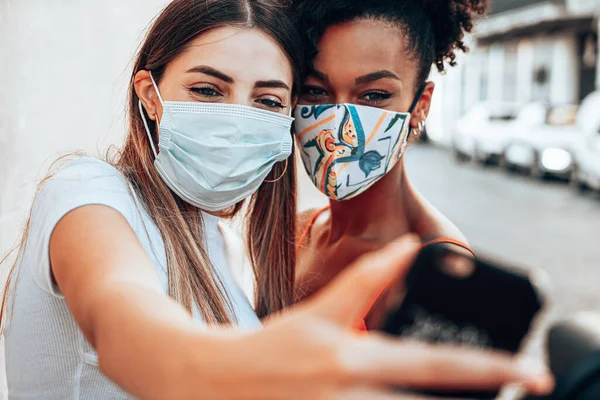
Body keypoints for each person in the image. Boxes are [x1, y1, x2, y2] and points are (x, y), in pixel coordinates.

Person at [0, 0, 554, 398]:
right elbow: (128, 327)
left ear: (420, 103)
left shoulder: (215, 236)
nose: (340, 119)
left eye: (266, 99)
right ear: (150, 95)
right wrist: (227, 367)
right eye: (208, 90)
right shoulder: (88, 193)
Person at [292, 0, 481, 323]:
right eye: (315, 91)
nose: (339, 122)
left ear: (420, 105)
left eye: (374, 95)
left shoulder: (439, 265)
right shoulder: (297, 231)